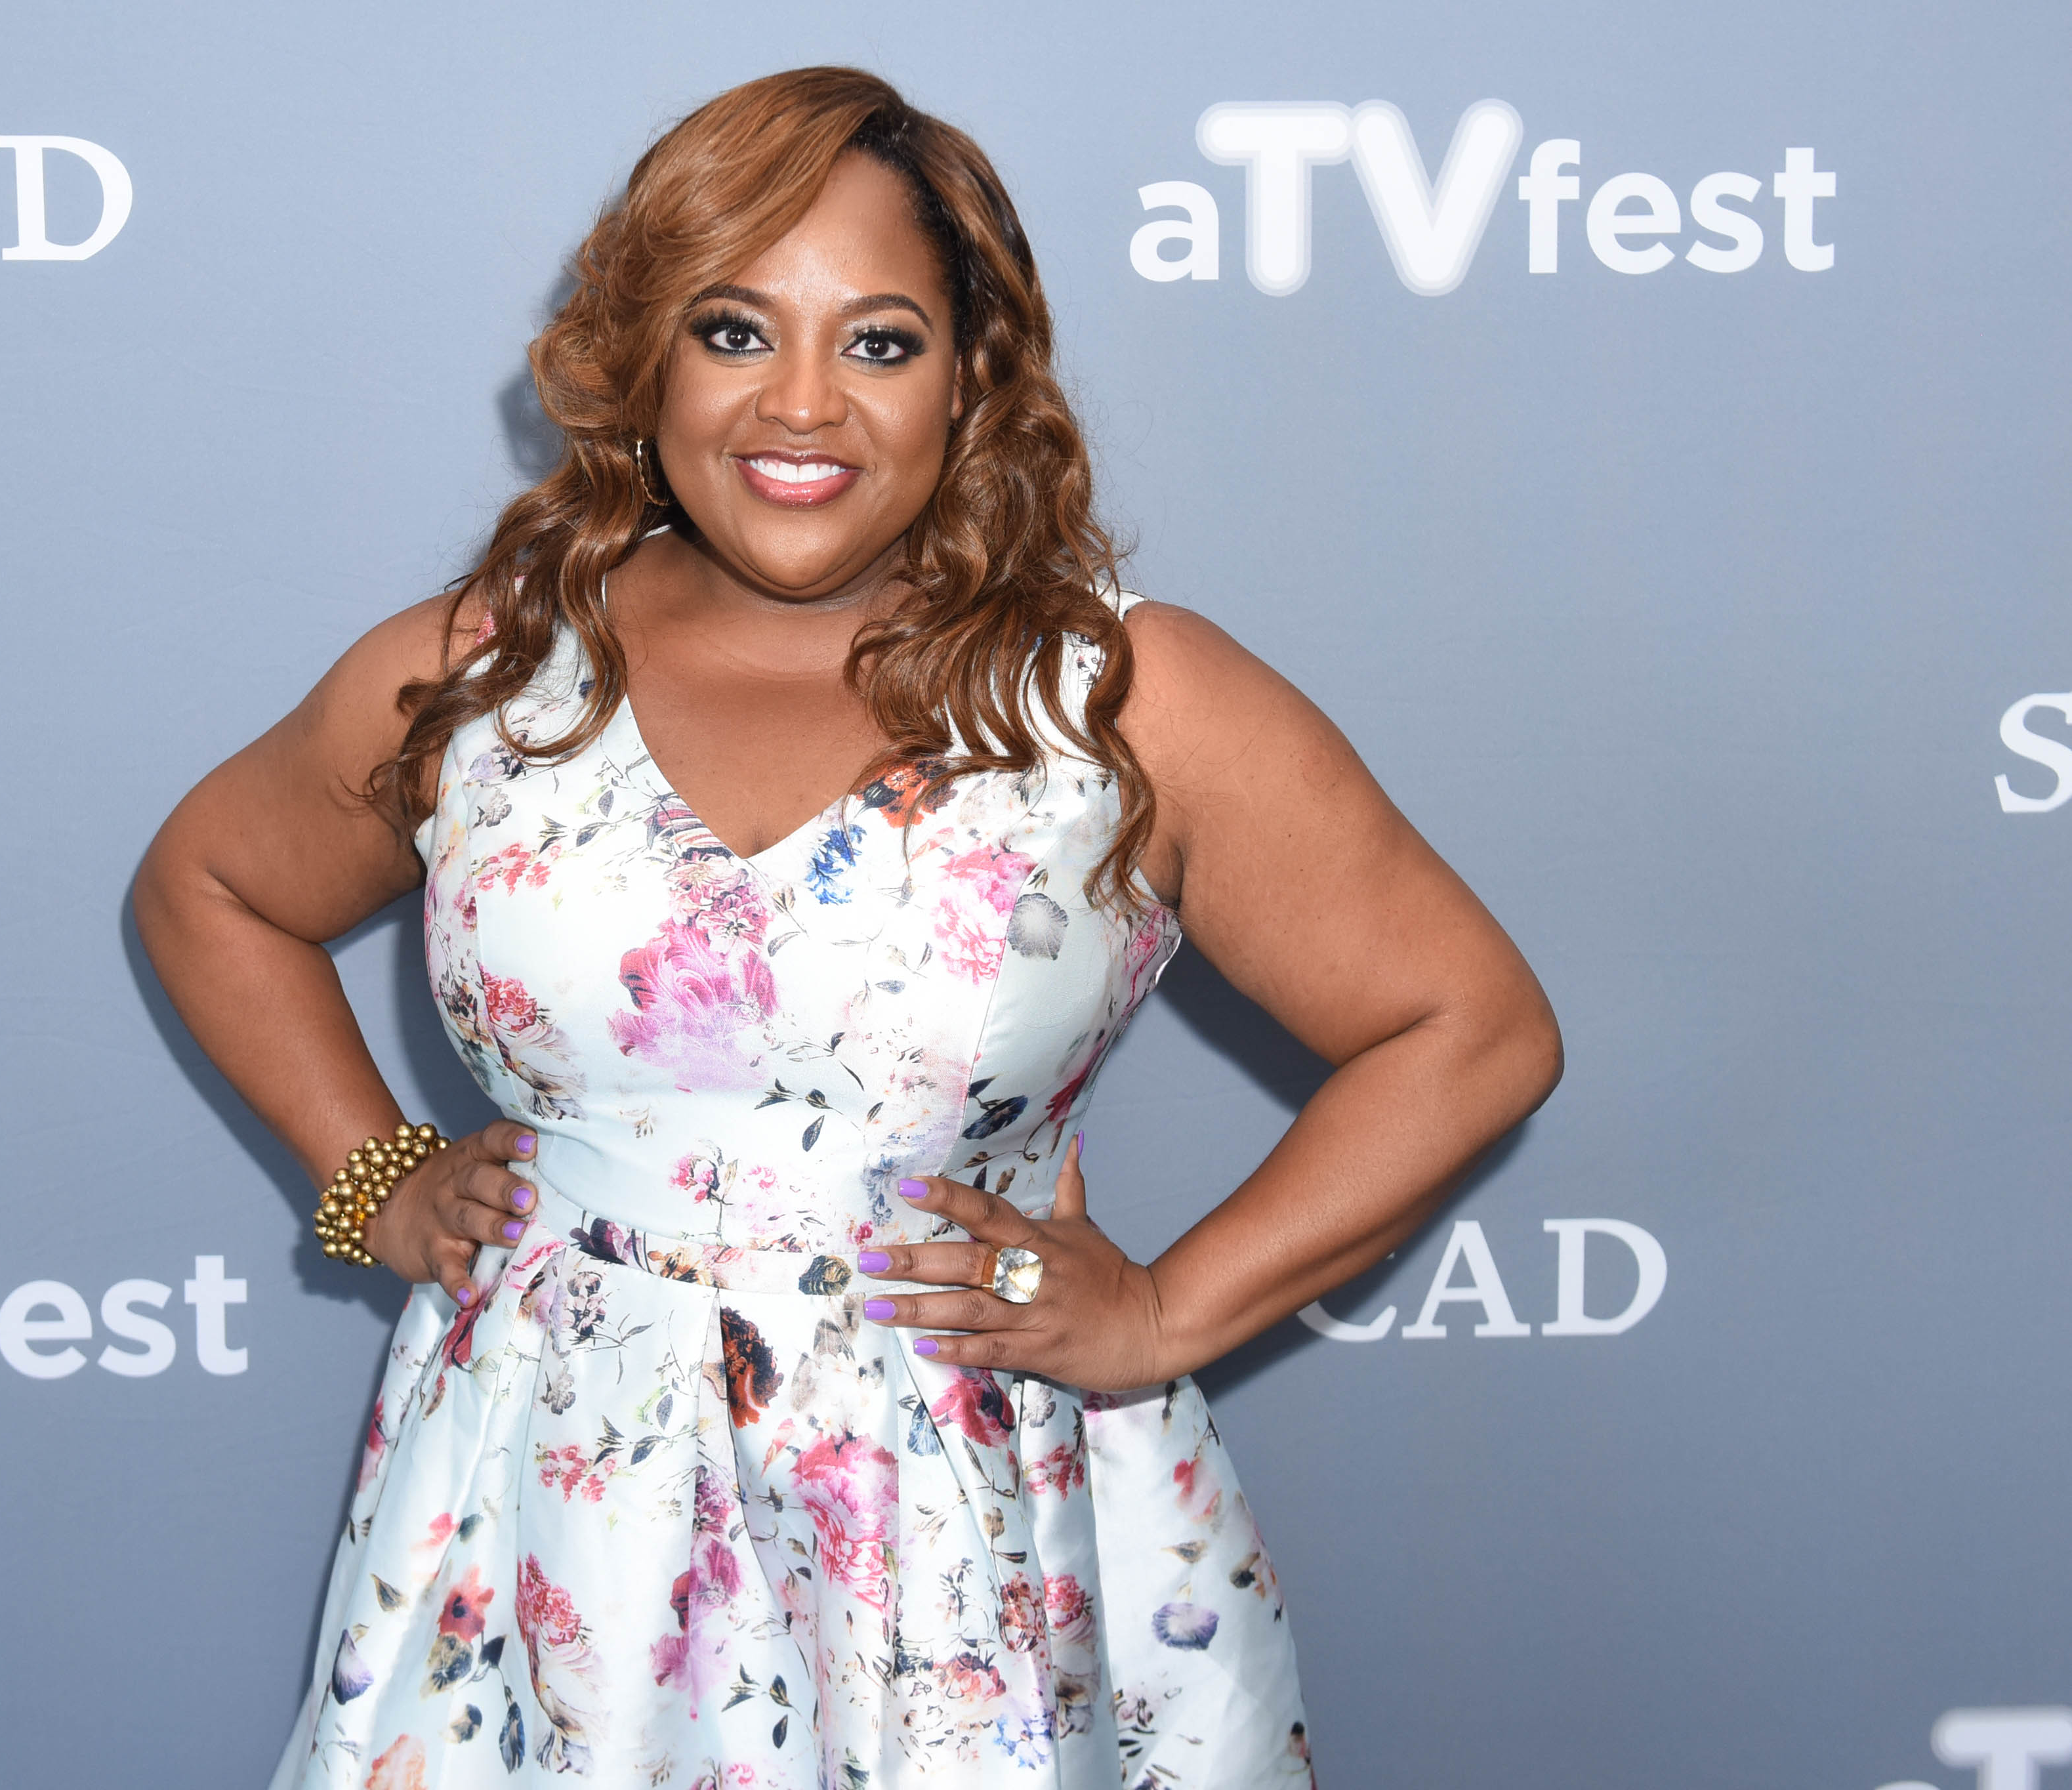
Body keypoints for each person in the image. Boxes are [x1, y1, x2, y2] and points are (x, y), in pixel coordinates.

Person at [135, 66, 1560, 1790]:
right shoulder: (483, 672)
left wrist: (1169, 1314)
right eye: (734, 331)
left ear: (971, 382)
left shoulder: (1121, 697)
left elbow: (1463, 1028)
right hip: (543, 1518)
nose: (798, 406)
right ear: (643, 354)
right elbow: (212, 887)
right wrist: (372, 1181)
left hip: (961, 1524)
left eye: (877, 342)